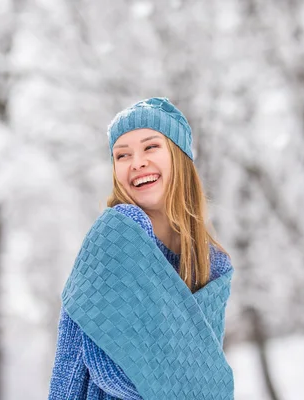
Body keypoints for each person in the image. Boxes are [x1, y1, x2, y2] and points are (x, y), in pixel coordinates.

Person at [48, 97, 235, 400]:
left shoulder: (212, 265)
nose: (137, 163)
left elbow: (208, 381)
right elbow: (95, 365)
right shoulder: (118, 230)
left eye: (150, 147)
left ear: (179, 157)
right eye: (122, 155)